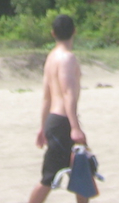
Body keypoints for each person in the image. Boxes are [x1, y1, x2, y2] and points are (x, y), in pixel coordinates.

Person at [28, 13, 89, 203]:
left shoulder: (51, 58)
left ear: (53, 33)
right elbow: (68, 94)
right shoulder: (67, 58)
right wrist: (75, 128)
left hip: (54, 121)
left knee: (82, 173)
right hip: (64, 122)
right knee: (51, 178)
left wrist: (42, 126)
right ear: (74, 31)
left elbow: (46, 97)